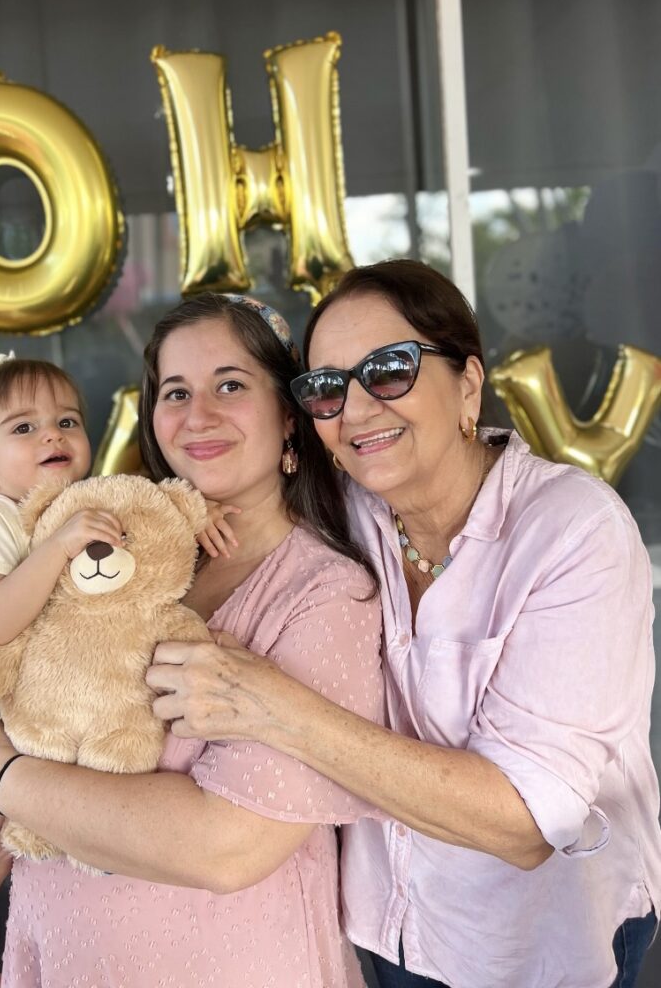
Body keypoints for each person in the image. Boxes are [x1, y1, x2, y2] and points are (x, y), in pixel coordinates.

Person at [145, 261, 661, 988]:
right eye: (326, 388)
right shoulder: (345, 514)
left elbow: (524, 821)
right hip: (381, 930)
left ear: (468, 386)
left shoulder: (572, 532)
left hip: (538, 942)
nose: (354, 409)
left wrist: (274, 708)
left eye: (388, 370)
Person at [0, 294, 386, 987]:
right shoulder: (127, 542)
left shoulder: (324, 594)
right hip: (62, 952)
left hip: (222, 963)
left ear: (288, 414)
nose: (199, 415)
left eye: (230, 384)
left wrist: (4, 781)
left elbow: (227, 845)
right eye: (175, 392)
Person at [0, 352, 125, 988]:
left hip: (49, 706)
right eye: (24, 428)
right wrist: (61, 544)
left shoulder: (87, 502)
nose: (52, 436)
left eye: (67, 421)